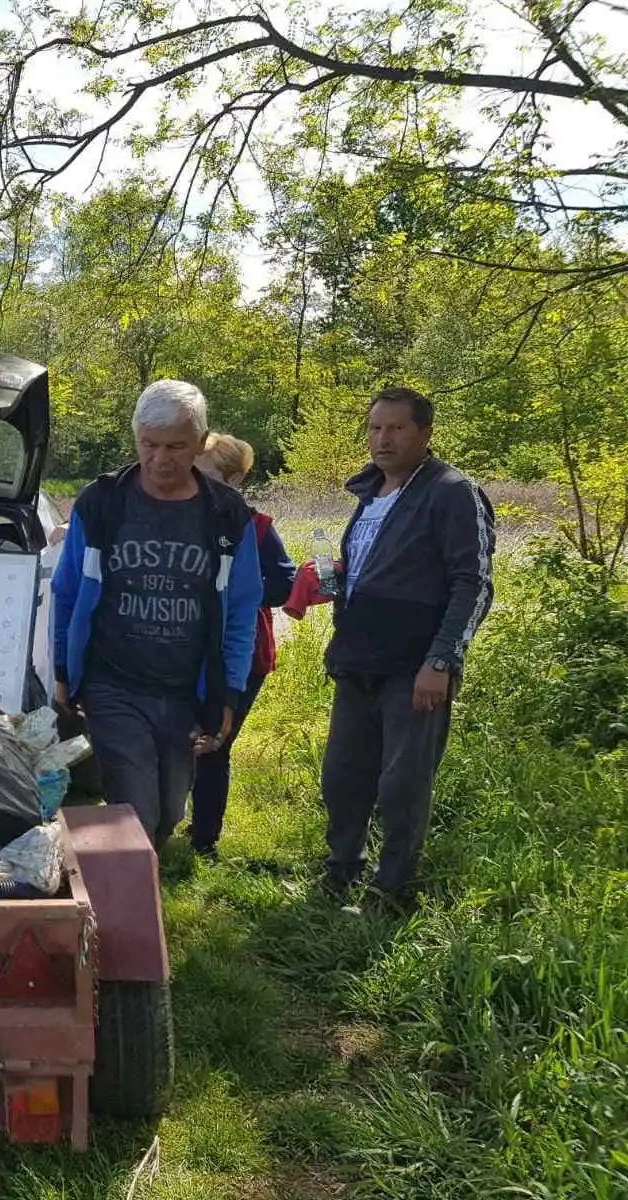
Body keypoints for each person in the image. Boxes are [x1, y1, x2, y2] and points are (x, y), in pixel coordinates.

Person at [50, 381, 262, 846]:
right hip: (114, 682)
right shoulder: (102, 502)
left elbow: (243, 608)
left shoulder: (226, 514)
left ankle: (135, 875)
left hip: (188, 685)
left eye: (176, 446)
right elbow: (65, 592)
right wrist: (64, 671)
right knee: (137, 811)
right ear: (135, 439)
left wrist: (227, 693)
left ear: (201, 443)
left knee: (168, 811)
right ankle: (120, 907)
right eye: (149, 444)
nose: (161, 459)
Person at [319, 386, 495, 913]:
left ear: (425, 434)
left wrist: (441, 661)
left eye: (396, 428)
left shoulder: (450, 491)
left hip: (415, 669)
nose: (383, 438)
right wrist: (326, 584)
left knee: (402, 786)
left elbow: (474, 583)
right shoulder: (370, 493)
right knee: (343, 778)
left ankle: (390, 891)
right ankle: (339, 874)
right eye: (375, 428)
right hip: (358, 661)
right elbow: (370, 575)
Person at [186, 433, 297, 859]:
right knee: (181, 738)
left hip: (244, 652)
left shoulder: (258, 526)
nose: (196, 479)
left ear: (232, 480)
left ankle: (204, 840)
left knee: (216, 744)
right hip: (186, 650)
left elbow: (284, 582)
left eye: (208, 472)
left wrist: (232, 593)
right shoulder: (182, 518)